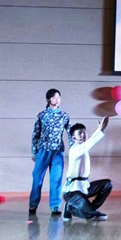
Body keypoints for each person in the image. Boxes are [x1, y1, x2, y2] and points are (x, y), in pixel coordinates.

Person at [29, 88, 71, 216]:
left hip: (58, 151)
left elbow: (70, 133)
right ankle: (33, 204)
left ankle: (55, 206)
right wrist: (34, 151)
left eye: (58, 97)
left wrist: (74, 148)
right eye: (54, 97)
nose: (57, 100)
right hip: (43, 150)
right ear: (48, 99)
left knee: (56, 179)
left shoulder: (64, 116)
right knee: (37, 178)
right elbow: (36, 133)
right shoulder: (42, 115)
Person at [62, 118, 112, 222]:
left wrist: (100, 129)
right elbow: (90, 143)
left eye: (84, 132)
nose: (83, 134)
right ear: (73, 137)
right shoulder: (75, 149)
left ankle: (92, 210)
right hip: (72, 192)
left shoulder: (83, 147)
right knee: (89, 216)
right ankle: (69, 208)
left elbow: (89, 142)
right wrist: (100, 130)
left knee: (107, 184)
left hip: (84, 188)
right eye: (80, 133)